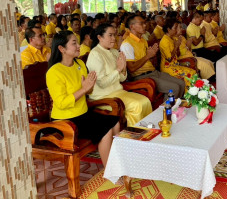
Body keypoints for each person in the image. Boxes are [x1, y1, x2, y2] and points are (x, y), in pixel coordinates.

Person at [46, 31, 120, 166]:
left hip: (82, 114)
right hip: (65, 120)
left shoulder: (79, 63)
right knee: (105, 131)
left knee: (115, 122)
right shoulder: (54, 72)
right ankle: (111, 171)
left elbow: (88, 91)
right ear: (62, 49)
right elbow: (62, 103)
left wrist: (89, 87)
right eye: (74, 43)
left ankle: (117, 161)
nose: (79, 46)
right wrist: (84, 89)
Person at [87, 23, 152, 126]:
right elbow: (102, 83)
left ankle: (147, 133)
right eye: (110, 35)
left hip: (118, 92)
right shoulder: (95, 54)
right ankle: (135, 136)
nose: (114, 38)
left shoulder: (114, 52)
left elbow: (122, 79)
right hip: (103, 97)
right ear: (100, 37)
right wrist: (118, 69)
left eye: (115, 35)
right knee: (137, 105)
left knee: (145, 101)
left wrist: (123, 68)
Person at [120, 15, 185, 99]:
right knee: (174, 88)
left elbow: (146, 58)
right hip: (141, 77)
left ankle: (175, 108)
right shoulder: (127, 44)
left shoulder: (143, 40)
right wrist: (148, 56)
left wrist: (152, 55)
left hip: (153, 72)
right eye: (141, 23)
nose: (145, 25)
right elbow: (131, 69)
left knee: (181, 83)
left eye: (144, 23)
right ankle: (165, 110)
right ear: (132, 26)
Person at [159, 18, 196, 90]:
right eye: (175, 28)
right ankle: (188, 95)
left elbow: (178, 54)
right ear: (169, 29)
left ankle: (193, 93)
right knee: (189, 74)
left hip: (175, 65)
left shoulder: (172, 38)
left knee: (193, 71)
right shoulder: (164, 41)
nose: (176, 30)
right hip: (168, 67)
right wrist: (176, 46)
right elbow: (169, 59)